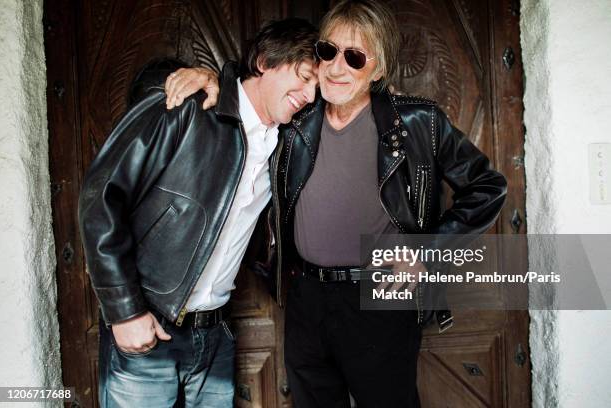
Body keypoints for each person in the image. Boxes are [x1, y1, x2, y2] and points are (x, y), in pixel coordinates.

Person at [167, 1, 507, 406]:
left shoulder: (418, 122)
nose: (335, 68)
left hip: (380, 294)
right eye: (327, 51)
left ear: (377, 70)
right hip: (305, 297)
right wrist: (211, 78)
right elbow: (251, 95)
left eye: (355, 57)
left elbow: (488, 185)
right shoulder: (293, 120)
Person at [78, 18, 318, 408]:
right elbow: (101, 196)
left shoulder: (285, 144)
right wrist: (125, 312)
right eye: (304, 77)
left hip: (215, 336)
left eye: (316, 88)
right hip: (147, 326)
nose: (309, 94)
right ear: (263, 61)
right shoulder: (187, 107)